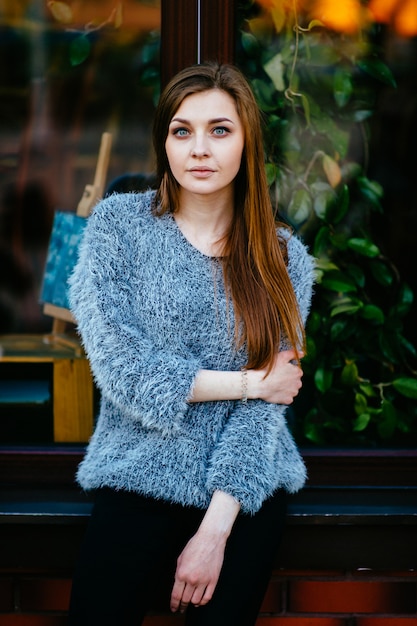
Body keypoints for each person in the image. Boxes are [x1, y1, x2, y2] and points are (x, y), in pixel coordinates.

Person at [67, 61, 315, 626]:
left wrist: (214, 532)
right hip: (137, 472)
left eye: (219, 129)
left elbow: (263, 416)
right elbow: (126, 371)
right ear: (165, 142)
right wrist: (254, 381)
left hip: (241, 492)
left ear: (247, 139)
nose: (199, 148)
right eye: (183, 131)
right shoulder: (120, 227)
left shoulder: (282, 258)